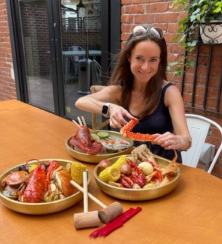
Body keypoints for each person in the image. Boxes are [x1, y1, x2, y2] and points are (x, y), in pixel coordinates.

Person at [75, 25, 191, 163]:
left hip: (163, 165)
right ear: (129, 57)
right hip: (129, 165)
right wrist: (110, 108)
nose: (145, 67)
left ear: (160, 61)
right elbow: (81, 102)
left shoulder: (169, 92)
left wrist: (178, 141)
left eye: (153, 59)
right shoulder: (120, 91)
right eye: (140, 58)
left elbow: (187, 140)